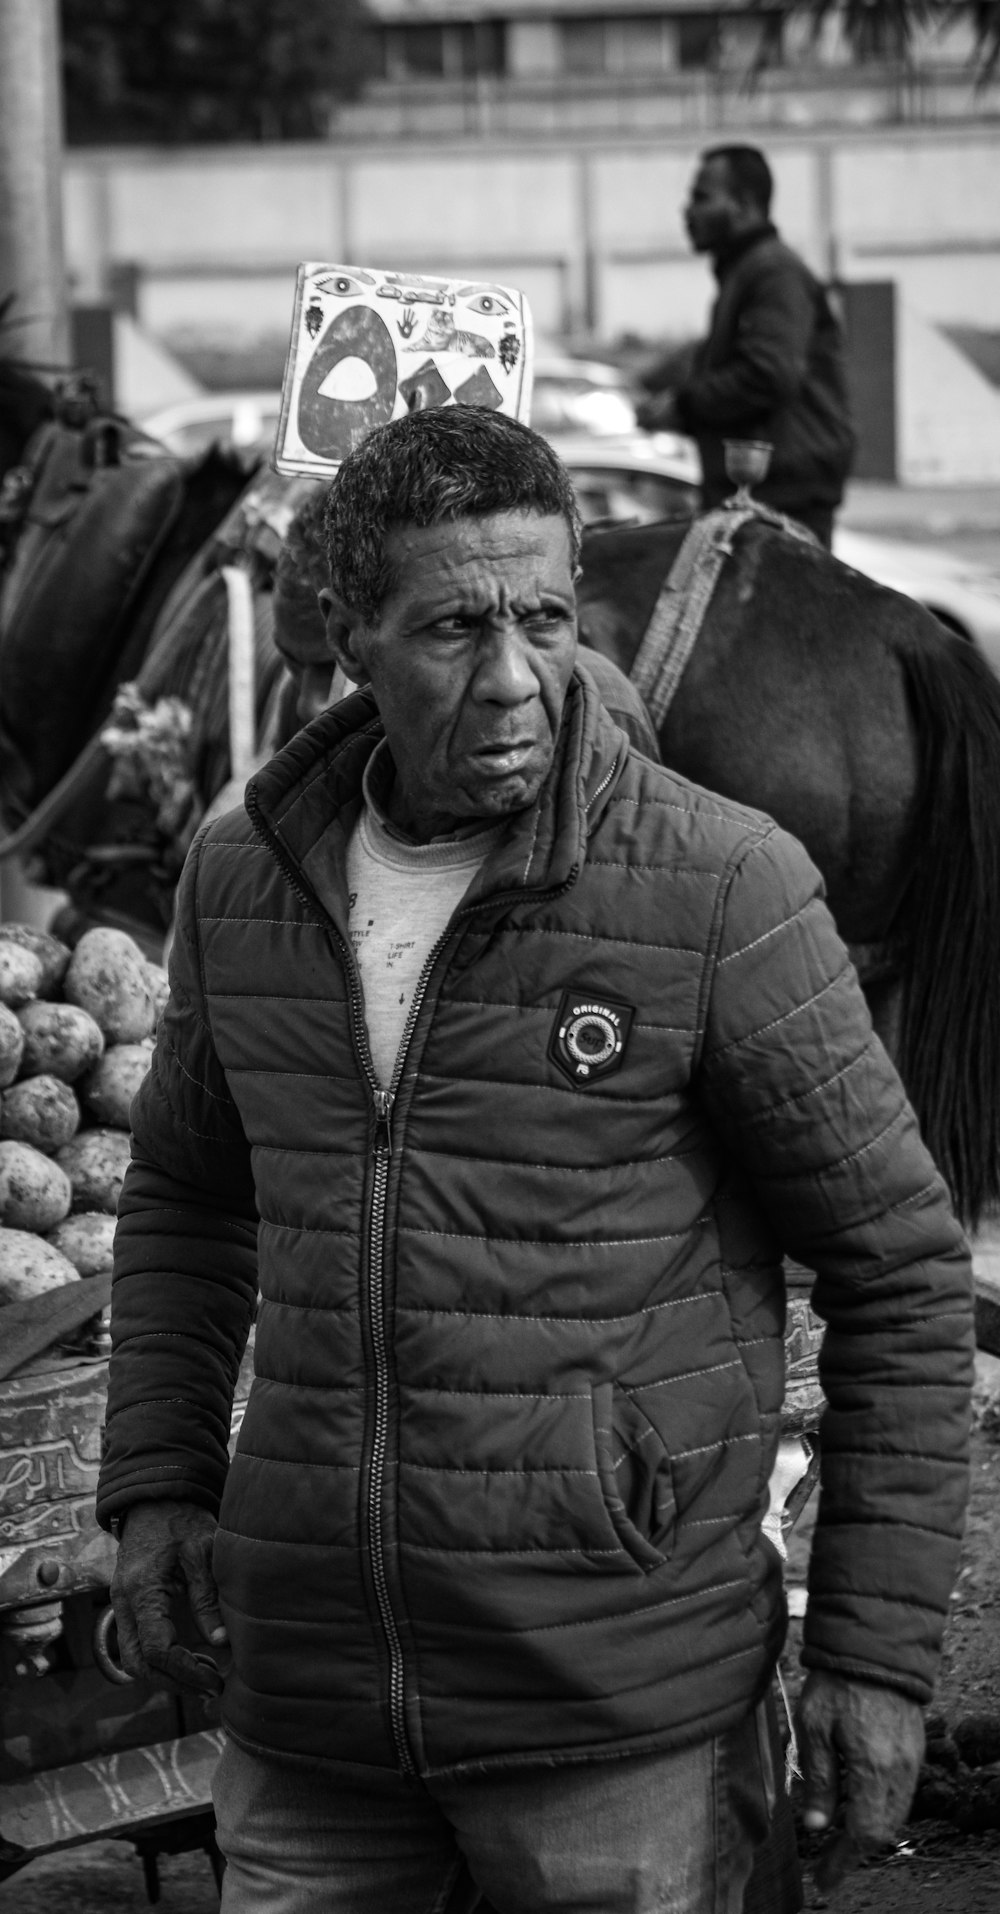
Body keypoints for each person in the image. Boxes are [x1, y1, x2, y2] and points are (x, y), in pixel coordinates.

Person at [97, 404, 973, 1914]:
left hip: (615, 1717)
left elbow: (900, 1270)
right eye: (452, 628)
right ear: (350, 633)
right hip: (309, 1716)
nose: (515, 678)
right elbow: (185, 1189)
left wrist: (876, 1661)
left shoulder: (719, 884)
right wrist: (161, 1477)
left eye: (546, 617)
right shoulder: (242, 877)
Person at [637, 144, 855, 548]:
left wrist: (682, 407)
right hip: (763, 498)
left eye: (702, 197)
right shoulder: (749, 272)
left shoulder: (773, 273)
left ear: (743, 204)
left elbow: (768, 373)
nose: (688, 211)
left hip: (780, 501)